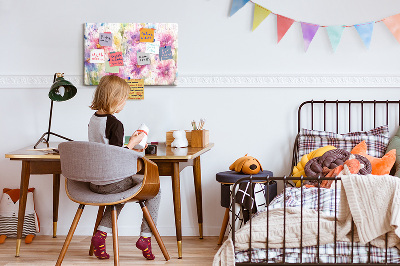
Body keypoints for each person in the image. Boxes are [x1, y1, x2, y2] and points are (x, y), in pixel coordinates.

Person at [88, 75, 161, 260]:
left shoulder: (93, 120)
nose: (124, 103)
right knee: (154, 189)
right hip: (111, 182)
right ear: (115, 99)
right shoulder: (115, 124)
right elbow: (117, 156)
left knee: (119, 194)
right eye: (124, 99)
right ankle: (146, 237)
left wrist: (130, 145)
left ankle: (101, 235)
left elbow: (106, 149)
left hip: (94, 182)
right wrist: (134, 143)